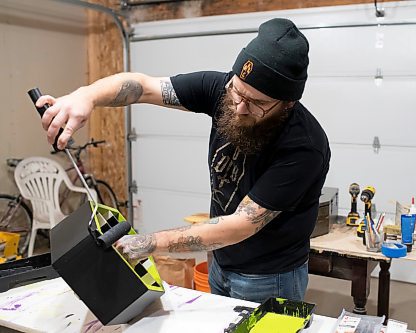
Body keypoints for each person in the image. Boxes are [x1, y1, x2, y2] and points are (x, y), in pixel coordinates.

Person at [37, 18, 330, 303]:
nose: (240, 108)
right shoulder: (222, 89)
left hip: (270, 277)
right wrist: (87, 95)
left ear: (288, 103)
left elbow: (241, 224)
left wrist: (149, 243)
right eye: (237, 92)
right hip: (220, 260)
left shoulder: (304, 146)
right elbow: (144, 86)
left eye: (257, 104)